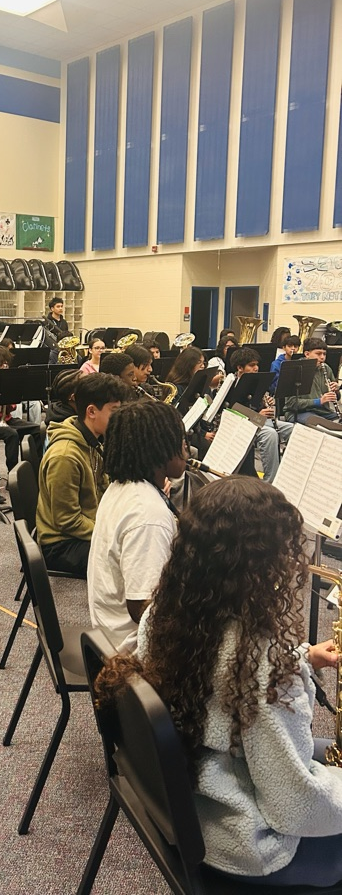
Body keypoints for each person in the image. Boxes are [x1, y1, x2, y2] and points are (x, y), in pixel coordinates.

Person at [97, 478, 342, 888]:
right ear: (263, 566)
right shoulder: (261, 663)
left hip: (200, 804)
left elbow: (219, 671)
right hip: (250, 845)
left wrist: (301, 656)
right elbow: (293, 807)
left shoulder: (166, 612)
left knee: (326, 753)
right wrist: (284, 668)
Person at [87, 400, 187, 653]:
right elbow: (143, 609)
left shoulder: (123, 486)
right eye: (180, 440)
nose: (186, 448)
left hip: (109, 632)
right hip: (131, 650)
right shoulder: (147, 514)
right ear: (159, 450)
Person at [37, 373, 129, 578]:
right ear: (91, 411)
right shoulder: (65, 456)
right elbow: (67, 520)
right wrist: (109, 533)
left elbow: (102, 486)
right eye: (114, 411)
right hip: (60, 544)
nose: (119, 418)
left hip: (84, 527)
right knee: (131, 558)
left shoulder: (90, 439)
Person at [229, 347, 293, 483]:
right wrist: (258, 414)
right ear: (240, 368)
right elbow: (234, 412)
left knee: (292, 429)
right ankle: (270, 482)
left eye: (256, 365)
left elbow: (256, 406)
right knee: (270, 435)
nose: (256, 368)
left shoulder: (256, 381)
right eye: (251, 365)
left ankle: (289, 474)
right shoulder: (231, 384)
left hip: (259, 420)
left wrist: (265, 404)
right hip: (244, 423)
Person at [283, 338, 341, 423]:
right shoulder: (295, 370)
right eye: (318, 354)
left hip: (323, 412)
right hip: (298, 413)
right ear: (307, 354)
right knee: (318, 422)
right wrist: (319, 401)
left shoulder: (326, 368)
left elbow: (337, 397)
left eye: (324, 354)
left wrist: (336, 391)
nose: (322, 357)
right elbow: (291, 403)